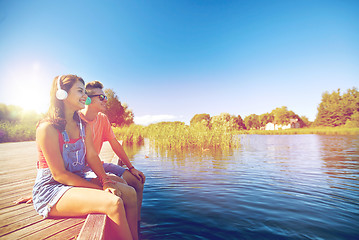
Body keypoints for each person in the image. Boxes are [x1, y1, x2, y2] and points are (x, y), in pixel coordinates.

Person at [32, 74, 137, 240]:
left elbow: (92, 156)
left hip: (76, 179)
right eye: (80, 91)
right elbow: (59, 175)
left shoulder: (83, 125)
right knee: (113, 202)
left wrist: (105, 181)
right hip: (52, 189)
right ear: (62, 94)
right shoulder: (47, 128)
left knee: (130, 193)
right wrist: (100, 189)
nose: (85, 96)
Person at [79, 80, 145, 224]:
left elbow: (115, 144)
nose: (105, 100)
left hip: (99, 164)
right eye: (101, 97)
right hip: (83, 169)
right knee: (122, 187)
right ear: (88, 99)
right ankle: (125, 224)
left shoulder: (102, 119)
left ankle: (137, 221)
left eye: (106, 97)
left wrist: (132, 168)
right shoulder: (76, 120)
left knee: (138, 181)